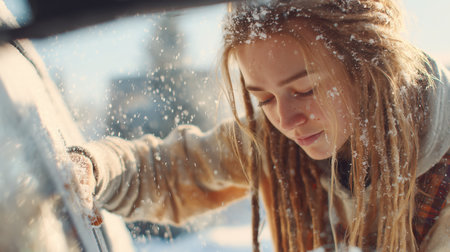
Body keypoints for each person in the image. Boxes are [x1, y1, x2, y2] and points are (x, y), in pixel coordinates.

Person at [69, 0, 450, 251]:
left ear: (369, 70)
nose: (285, 120)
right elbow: (173, 172)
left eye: (305, 89)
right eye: (264, 99)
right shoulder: (274, 143)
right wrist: (93, 168)